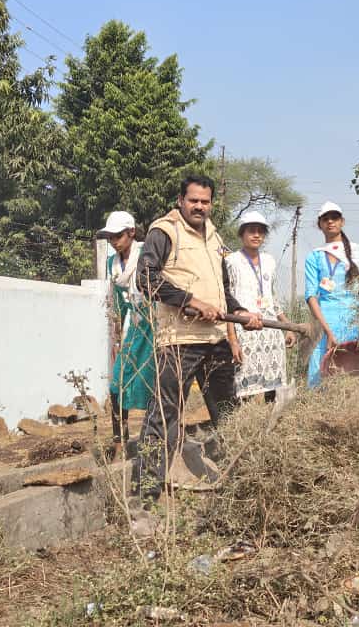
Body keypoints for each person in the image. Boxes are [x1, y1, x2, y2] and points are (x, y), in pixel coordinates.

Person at [132, 174, 263, 501]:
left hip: (216, 341)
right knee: (164, 415)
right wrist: (191, 302)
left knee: (230, 414)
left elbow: (222, 294)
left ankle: (242, 487)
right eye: (194, 201)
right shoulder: (164, 231)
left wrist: (242, 313)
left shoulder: (215, 238)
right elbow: (145, 279)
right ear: (181, 201)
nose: (199, 207)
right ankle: (146, 497)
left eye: (205, 202)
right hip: (179, 340)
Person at [224, 211, 296, 400]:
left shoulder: (270, 261)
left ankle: (270, 423)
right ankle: (244, 425)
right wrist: (232, 340)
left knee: (272, 384)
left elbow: (273, 298)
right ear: (241, 234)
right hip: (245, 331)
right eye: (251, 231)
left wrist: (287, 327)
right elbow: (226, 302)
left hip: (271, 331)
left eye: (260, 231)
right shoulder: (231, 262)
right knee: (243, 385)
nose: (256, 235)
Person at [99, 211, 155, 449]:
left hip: (154, 324)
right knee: (117, 384)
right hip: (133, 326)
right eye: (110, 237)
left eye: (118, 235)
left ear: (131, 233)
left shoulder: (146, 254)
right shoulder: (112, 263)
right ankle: (119, 440)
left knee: (155, 384)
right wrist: (118, 332)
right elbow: (118, 302)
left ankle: (154, 439)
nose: (114, 241)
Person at [304, 202, 359, 388]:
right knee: (323, 371)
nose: (330, 222)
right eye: (326, 219)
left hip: (356, 320)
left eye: (334, 218)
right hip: (328, 321)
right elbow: (311, 296)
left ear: (342, 221)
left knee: (356, 372)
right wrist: (327, 330)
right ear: (320, 224)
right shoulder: (314, 256)